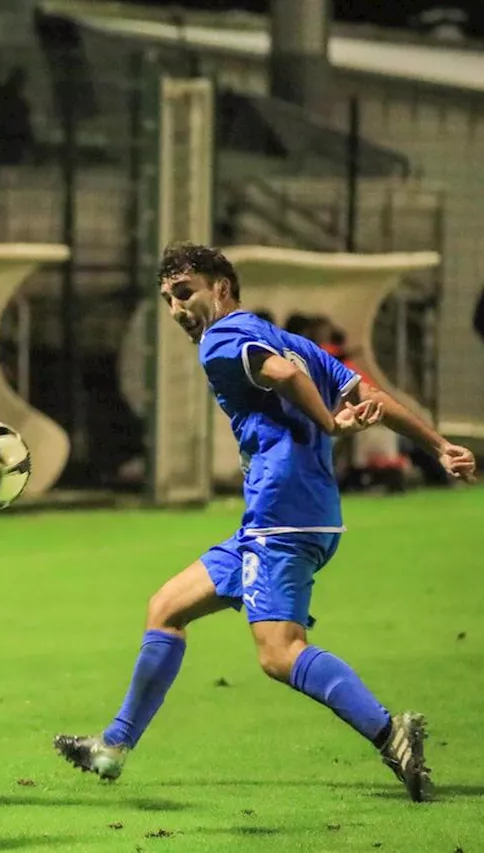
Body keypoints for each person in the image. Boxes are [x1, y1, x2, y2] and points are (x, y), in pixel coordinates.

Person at [54, 242, 476, 802]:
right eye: (168, 299)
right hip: (286, 516)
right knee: (167, 608)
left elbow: (278, 375)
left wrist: (326, 422)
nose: (178, 309)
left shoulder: (221, 341)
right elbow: (368, 394)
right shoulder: (294, 341)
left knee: (279, 652)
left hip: (283, 515)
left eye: (186, 293)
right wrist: (440, 445)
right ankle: (113, 747)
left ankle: (388, 730)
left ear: (221, 288)